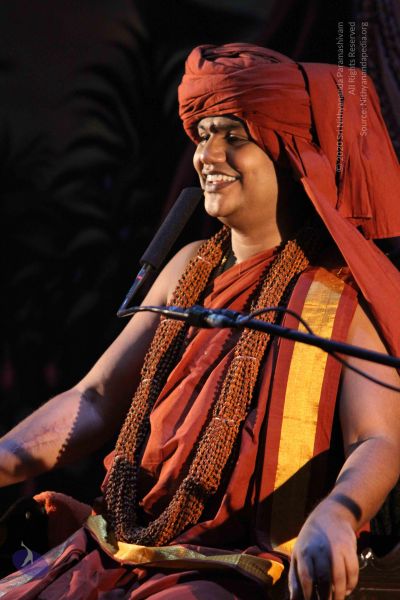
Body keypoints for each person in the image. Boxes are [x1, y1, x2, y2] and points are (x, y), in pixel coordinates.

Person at [0, 43, 400, 599]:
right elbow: (94, 399)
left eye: (234, 137)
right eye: (203, 134)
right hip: (120, 542)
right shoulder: (189, 266)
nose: (207, 154)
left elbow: (377, 438)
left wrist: (337, 512)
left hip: (236, 564)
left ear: (291, 155)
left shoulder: (335, 293)